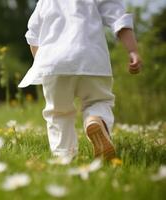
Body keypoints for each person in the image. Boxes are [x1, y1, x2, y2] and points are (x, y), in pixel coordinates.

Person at [19, 0, 142, 160]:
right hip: (91, 60)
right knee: (98, 101)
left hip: (54, 63)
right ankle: (96, 119)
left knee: (58, 113)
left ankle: (63, 157)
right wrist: (132, 51)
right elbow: (119, 18)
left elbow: (33, 35)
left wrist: (43, 65)